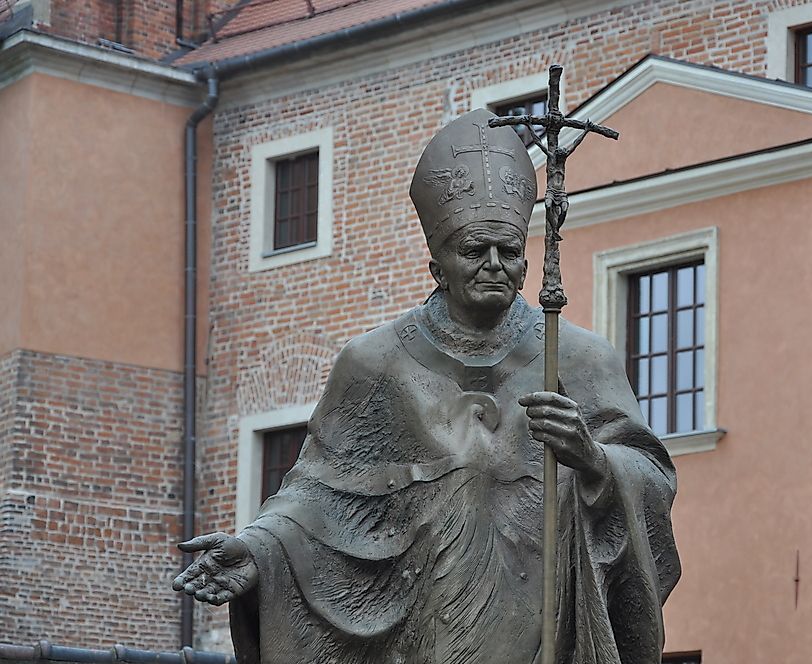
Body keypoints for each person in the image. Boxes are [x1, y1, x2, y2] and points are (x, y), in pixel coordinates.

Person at [173, 109, 680, 664]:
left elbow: (650, 478)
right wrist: (259, 550)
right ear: (436, 266)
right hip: (422, 627)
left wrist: (594, 460)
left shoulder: (579, 356)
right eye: (474, 250)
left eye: (508, 252)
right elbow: (316, 497)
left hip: (548, 623)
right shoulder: (375, 364)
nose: (494, 265)